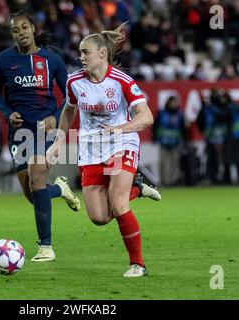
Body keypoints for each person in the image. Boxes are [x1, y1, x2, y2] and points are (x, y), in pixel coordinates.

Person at [47, 22, 160, 277]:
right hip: (90, 149)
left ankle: (137, 264)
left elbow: (147, 117)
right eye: (80, 52)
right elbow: (69, 109)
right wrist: (58, 142)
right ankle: (137, 189)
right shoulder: (74, 81)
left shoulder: (122, 81)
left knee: (118, 205)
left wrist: (122, 128)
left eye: (86, 52)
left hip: (121, 143)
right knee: (98, 218)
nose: (81, 57)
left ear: (102, 54)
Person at [0, 11, 82, 262]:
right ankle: (60, 189)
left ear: (32, 28)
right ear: (12, 34)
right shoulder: (4, 60)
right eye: (15, 29)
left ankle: (46, 247)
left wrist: (54, 115)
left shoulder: (52, 60)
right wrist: (8, 113)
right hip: (19, 133)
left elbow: (68, 94)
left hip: (46, 130)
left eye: (24, 27)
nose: (21, 32)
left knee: (37, 178)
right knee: (33, 194)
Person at [153, 95, 187, 186]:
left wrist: (184, 140)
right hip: (163, 142)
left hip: (175, 142)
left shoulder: (180, 114)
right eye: (174, 102)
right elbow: (155, 126)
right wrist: (154, 138)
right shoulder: (161, 113)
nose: (175, 104)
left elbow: (183, 128)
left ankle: (174, 181)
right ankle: (165, 181)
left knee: (175, 163)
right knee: (164, 163)